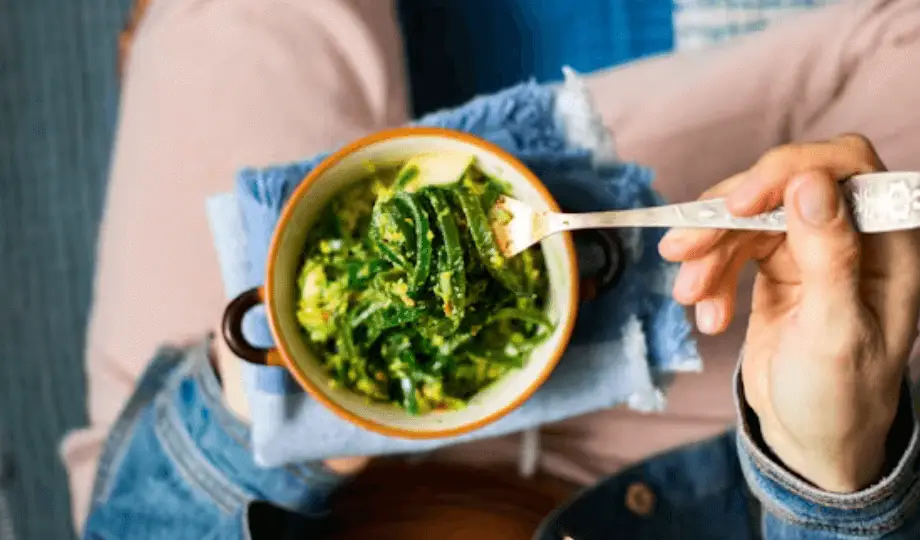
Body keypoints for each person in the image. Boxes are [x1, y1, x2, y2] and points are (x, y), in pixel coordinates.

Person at [62, 0, 920, 537]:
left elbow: (137, 520)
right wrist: (826, 477)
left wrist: (277, 397)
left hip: (258, 443)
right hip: (637, 489)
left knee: (233, 20)